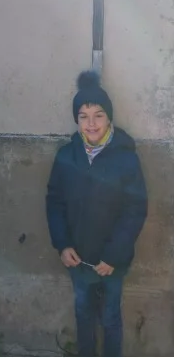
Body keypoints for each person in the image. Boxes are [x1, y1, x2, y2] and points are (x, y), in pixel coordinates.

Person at [46, 71, 148, 357]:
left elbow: (135, 209)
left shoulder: (126, 158)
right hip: (78, 258)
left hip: (113, 261)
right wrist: (63, 244)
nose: (91, 123)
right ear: (76, 120)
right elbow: (54, 201)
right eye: (83, 116)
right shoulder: (67, 156)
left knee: (111, 317)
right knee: (83, 312)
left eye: (98, 115)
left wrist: (114, 255)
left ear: (109, 118)